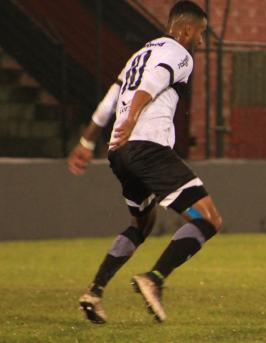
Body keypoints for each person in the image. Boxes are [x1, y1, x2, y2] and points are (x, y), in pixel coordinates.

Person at [68, 1, 221, 324]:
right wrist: (134, 117)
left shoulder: (139, 53)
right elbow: (152, 83)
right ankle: (155, 278)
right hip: (147, 145)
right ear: (186, 29)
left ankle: (95, 291)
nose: (202, 42)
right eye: (201, 34)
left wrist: (86, 140)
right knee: (209, 218)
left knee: (143, 223)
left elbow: (110, 99)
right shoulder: (179, 52)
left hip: (119, 152)